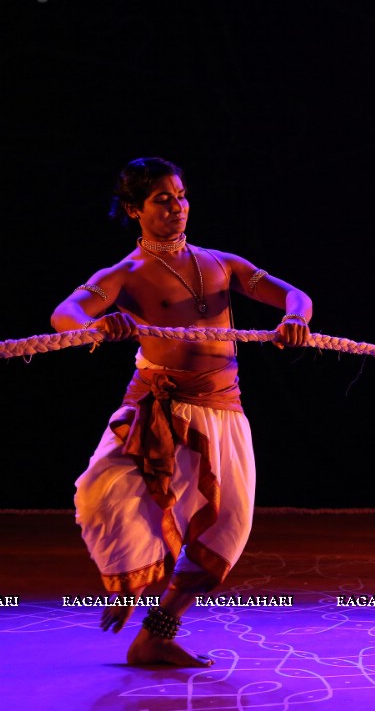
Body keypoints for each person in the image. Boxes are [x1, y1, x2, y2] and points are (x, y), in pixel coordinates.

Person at [51, 157, 313, 666]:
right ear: (134, 210)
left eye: (181, 196)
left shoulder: (220, 263)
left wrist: (294, 318)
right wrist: (100, 325)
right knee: (105, 492)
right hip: (157, 408)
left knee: (228, 529)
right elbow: (67, 313)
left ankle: (158, 633)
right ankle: (129, 582)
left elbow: (294, 294)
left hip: (223, 411)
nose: (177, 207)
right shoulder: (126, 274)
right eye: (161, 199)